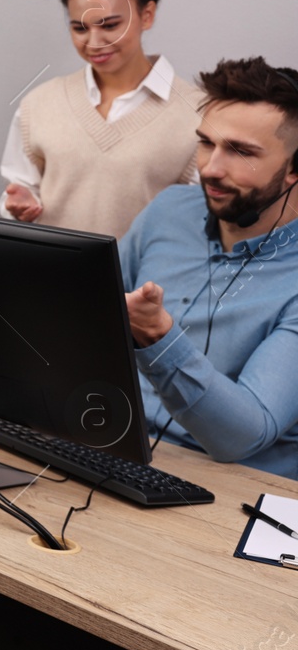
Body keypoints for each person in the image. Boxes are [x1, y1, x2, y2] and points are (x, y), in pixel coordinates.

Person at [121, 57, 298, 478]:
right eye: (206, 142)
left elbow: (242, 438)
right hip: (122, 447)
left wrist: (158, 339)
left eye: (240, 151)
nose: (210, 168)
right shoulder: (169, 210)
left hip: (233, 487)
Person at [0, 0, 201, 239]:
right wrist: (20, 204)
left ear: (146, 14)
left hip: (147, 287)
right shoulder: (39, 105)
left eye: (110, 25)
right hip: (51, 284)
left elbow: (201, 226)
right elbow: (20, 190)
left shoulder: (198, 113)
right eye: (79, 27)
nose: (94, 43)